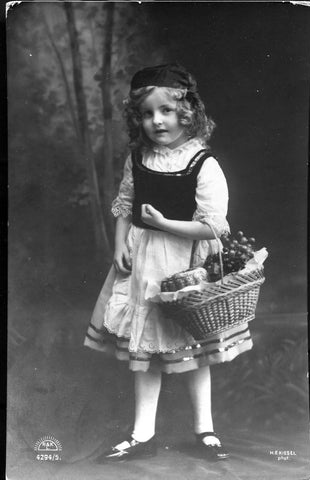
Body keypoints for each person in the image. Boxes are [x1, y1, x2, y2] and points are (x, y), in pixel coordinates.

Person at [84, 63, 253, 462]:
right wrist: (119, 243)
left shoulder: (202, 163)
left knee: (192, 345)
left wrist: (165, 223)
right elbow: (125, 204)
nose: (156, 121)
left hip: (187, 266)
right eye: (146, 113)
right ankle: (143, 434)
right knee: (148, 351)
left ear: (186, 113)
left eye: (166, 111)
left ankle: (205, 429)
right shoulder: (138, 158)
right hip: (145, 262)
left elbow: (214, 228)